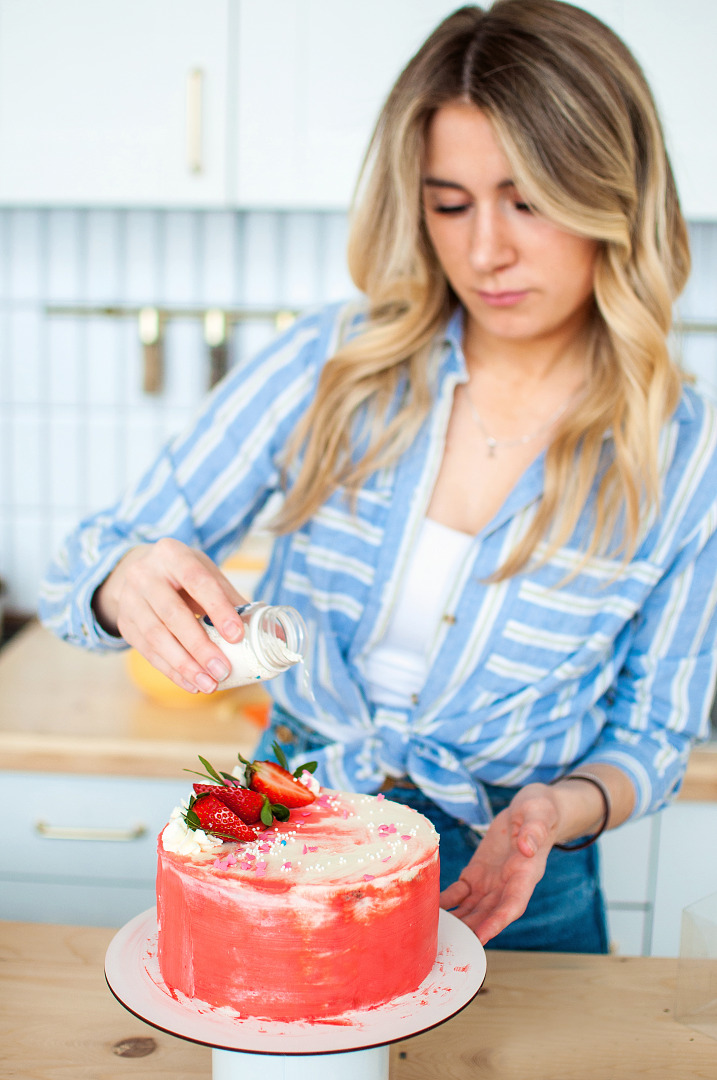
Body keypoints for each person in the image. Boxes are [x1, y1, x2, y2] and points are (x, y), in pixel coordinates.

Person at [39, 0, 717, 954]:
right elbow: (86, 561)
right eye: (450, 203)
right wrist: (123, 583)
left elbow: (653, 737)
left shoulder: (684, 455)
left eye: (527, 200)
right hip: (289, 841)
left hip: (515, 882)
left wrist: (550, 812)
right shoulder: (333, 363)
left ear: (613, 193)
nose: (485, 250)